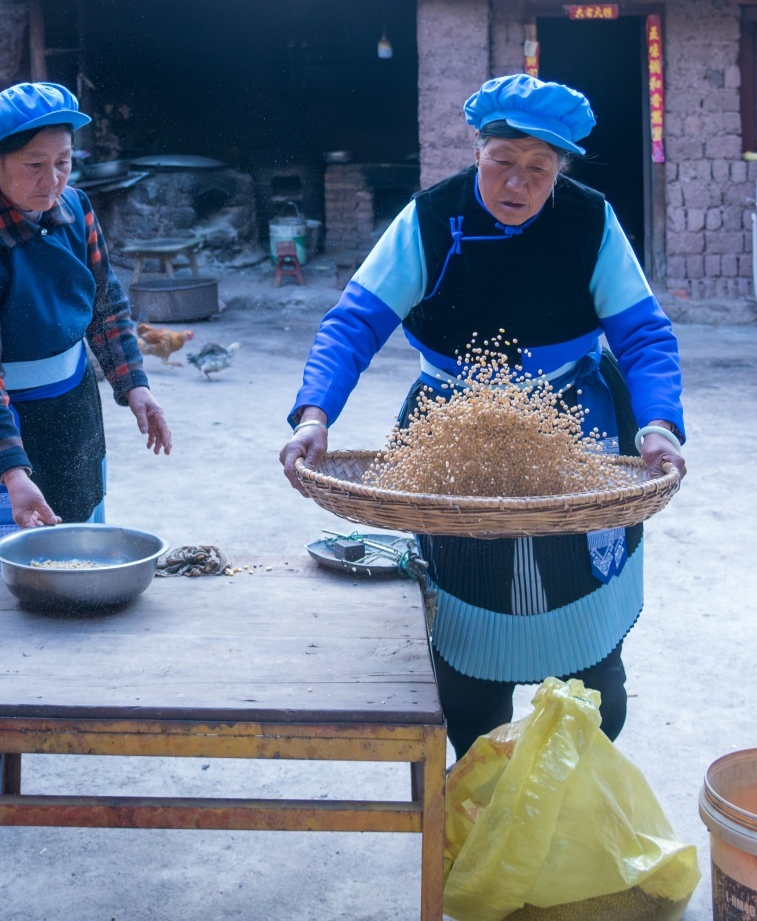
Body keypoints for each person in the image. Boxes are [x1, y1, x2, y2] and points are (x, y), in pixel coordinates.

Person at [277, 74, 687, 760]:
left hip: (573, 423)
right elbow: (354, 323)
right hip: (451, 428)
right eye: (504, 162)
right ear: (477, 153)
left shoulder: (590, 220)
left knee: (586, 639)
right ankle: (477, 759)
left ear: (560, 169)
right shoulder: (430, 219)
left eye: (539, 168)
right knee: (470, 622)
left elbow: (643, 334)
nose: (518, 184)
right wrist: (314, 414)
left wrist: (657, 424)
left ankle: (581, 749)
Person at [0, 81, 174, 793]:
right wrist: (13, 475)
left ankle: (62, 713)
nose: (53, 181)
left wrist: (132, 384)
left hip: (71, 412)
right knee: (5, 593)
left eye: (64, 163)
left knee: (75, 569)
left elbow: (105, 303)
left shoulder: (74, 210)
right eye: (34, 166)